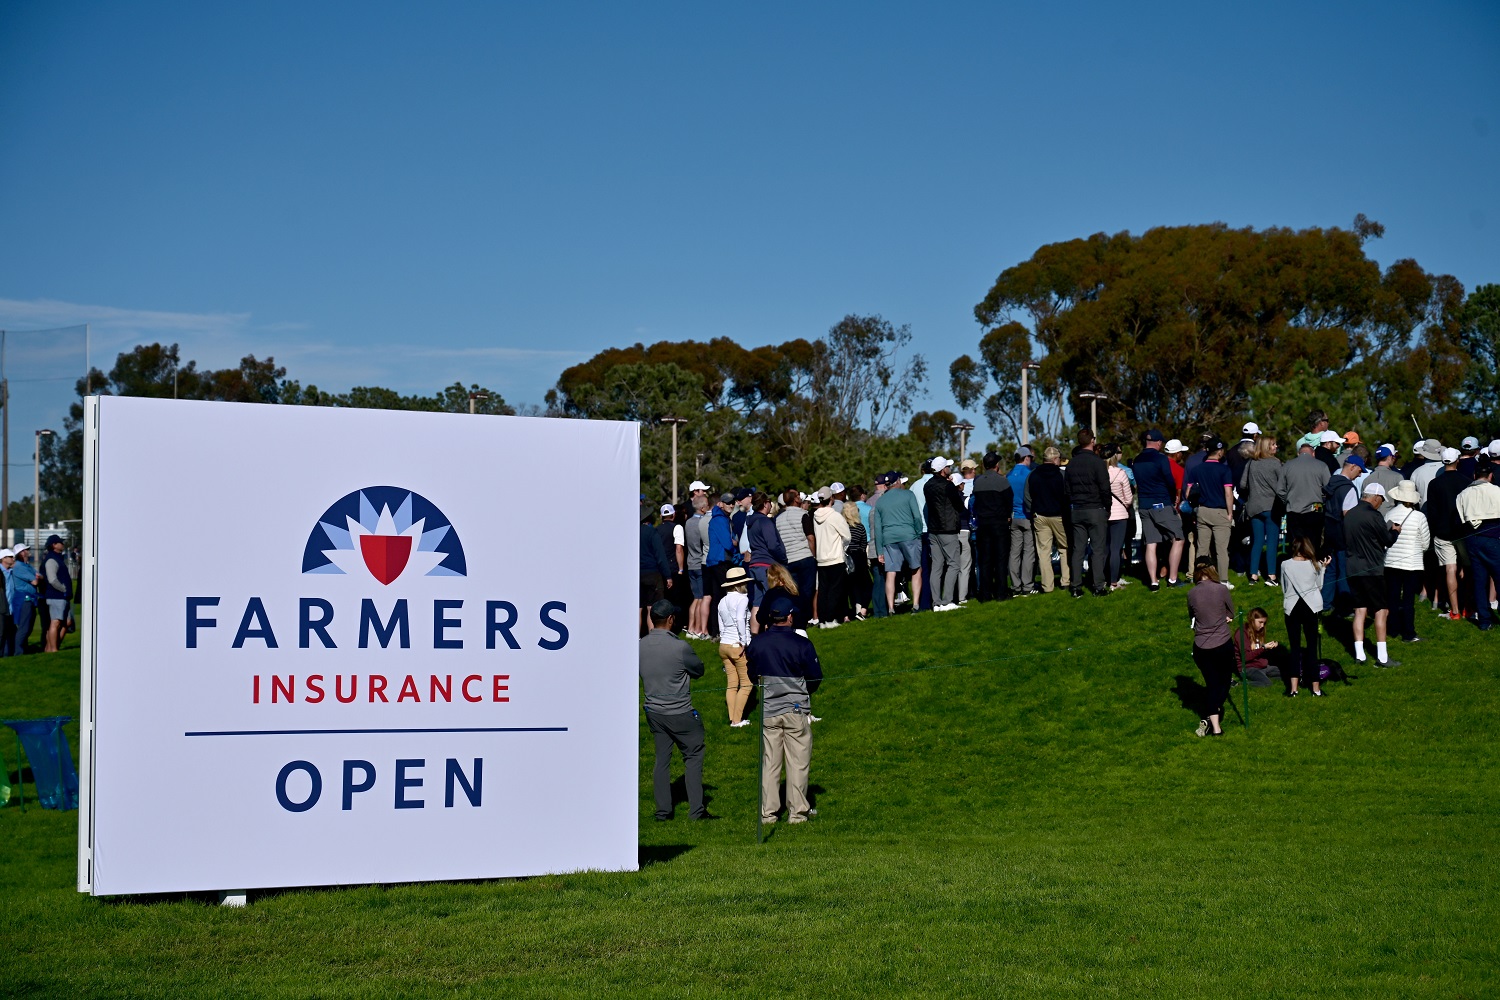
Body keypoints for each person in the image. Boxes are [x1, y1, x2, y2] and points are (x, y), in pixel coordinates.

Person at [746, 596, 823, 826]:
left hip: (769, 711)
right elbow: (815, 677)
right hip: (795, 710)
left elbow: (751, 675)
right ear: (790, 617)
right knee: (797, 762)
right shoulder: (802, 644)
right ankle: (797, 813)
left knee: (770, 763)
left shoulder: (757, 644)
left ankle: (768, 814)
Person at [638, 599, 711, 821]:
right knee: (693, 755)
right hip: (680, 712)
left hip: (654, 711)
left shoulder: (639, 645)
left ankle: (663, 811)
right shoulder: (680, 647)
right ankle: (696, 810)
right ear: (670, 619)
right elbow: (699, 670)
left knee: (662, 760)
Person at [1345, 482, 1400, 665]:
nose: (1381, 504)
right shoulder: (1373, 515)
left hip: (1352, 568)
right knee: (1381, 610)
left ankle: (1360, 655)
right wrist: (1395, 532)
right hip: (1372, 570)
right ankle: (1382, 657)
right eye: (1381, 500)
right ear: (1375, 498)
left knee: (1360, 610)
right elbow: (1387, 541)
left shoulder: (1349, 514)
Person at [1187, 563, 1236, 737]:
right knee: (1223, 682)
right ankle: (1212, 719)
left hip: (1201, 647)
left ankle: (1214, 726)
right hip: (1221, 643)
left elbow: (1192, 618)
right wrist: (1226, 617)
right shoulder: (1221, 589)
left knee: (1212, 684)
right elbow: (1231, 611)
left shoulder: (1191, 593)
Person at [1134, 430, 1184, 591]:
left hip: (1143, 505)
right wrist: (1172, 496)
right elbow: (1169, 480)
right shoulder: (1161, 459)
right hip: (1160, 503)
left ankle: (1154, 581)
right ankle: (1173, 579)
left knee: (1151, 543)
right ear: (1159, 443)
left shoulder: (1137, 460)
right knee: (1179, 537)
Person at [1182, 438, 1236, 587]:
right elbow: (1228, 493)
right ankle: (1223, 580)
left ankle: (1201, 578)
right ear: (1220, 452)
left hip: (1202, 511)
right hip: (1220, 511)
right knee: (1221, 550)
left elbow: (1188, 493)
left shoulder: (1196, 470)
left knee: (1202, 548)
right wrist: (1230, 513)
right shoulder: (1224, 470)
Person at [1065, 429, 1112, 598]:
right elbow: (1105, 488)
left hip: (1077, 510)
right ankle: (1098, 586)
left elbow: (1067, 490)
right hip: (1096, 509)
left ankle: (1076, 587)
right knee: (1098, 550)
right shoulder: (1098, 463)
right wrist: (1108, 506)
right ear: (1092, 440)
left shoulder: (1071, 464)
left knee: (1078, 550)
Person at [1424, 447, 1469, 619]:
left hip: (1442, 532)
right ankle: (1466, 607)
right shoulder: (1465, 481)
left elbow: (1432, 513)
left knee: (1450, 569)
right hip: (1462, 531)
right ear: (1457, 460)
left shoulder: (1434, 484)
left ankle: (1455, 611)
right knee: (1466, 568)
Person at [1455, 461, 1500, 632]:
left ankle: (1484, 621)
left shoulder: (1463, 494)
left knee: (1479, 581)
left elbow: (1460, 518)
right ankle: (1486, 618)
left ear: (1474, 476)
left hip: (1473, 539)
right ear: (1490, 476)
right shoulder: (1497, 491)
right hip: (1493, 538)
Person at [1383, 480, 1430, 645]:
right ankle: (1408, 633)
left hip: (1391, 562)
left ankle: (1393, 629)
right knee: (1408, 600)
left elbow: (1384, 539)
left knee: (1393, 597)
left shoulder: (1389, 515)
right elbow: (1425, 543)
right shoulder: (1419, 516)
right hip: (1412, 563)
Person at [871, 470, 924, 614]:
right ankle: (916, 605)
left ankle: (890, 608)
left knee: (891, 572)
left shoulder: (880, 501)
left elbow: (877, 528)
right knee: (916, 569)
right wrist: (918, 533)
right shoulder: (908, 495)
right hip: (908, 535)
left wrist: (879, 551)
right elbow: (917, 517)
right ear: (898, 481)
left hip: (889, 538)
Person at [1280, 535, 1326, 697]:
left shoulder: (1285, 565)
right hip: (1311, 608)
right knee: (1312, 648)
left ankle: (1293, 689)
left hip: (1292, 608)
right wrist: (1323, 568)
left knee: (1294, 648)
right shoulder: (1315, 565)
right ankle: (1316, 689)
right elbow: (1319, 586)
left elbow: (1284, 588)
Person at [1240, 436, 1284, 585]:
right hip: (1271, 506)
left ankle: (1253, 574)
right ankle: (1271, 575)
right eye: (1273, 444)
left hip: (1254, 506)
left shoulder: (1251, 463)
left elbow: (1243, 485)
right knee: (1272, 542)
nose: (1276, 446)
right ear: (1267, 447)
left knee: (1257, 541)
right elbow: (1282, 485)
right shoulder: (1275, 463)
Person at [1025, 447, 1070, 593]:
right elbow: (1067, 496)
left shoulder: (1032, 474)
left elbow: (1027, 496)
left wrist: (1034, 511)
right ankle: (1066, 581)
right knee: (1064, 548)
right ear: (1055, 459)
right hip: (1059, 516)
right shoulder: (1062, 475)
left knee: (1044, 552)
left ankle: (1047, 586)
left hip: (1040, 516)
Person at [924, 457, 966, 611]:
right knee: (954, 564)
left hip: (934, 529)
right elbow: (959, 506)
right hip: (948, 529)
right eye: (947, 467)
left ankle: (936, 602)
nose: (949, 468)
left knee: (937, 566)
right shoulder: (948, 486)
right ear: (943, 470)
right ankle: (947, 601)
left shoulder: (927, 486)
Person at [972, 451, 1013, 601]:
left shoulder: (978, 482)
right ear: (996, 465)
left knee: (985, 560)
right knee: (1001, 560)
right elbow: (1009, 500)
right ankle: (1001, 593)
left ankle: (985, 594)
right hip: (999, 523)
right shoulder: (1002, 481)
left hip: (983, 524)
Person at [717, 567, 754, 727]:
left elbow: (721, 626)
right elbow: (740, 619)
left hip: (724, 645)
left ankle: (733, 719)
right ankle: (737, 720)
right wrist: (744, 641)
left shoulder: (722, 601)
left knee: (732, 683)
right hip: (736, 645)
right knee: (747, 683)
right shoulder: (742, 598)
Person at [743, 492, 787, 628]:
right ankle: (771, 632)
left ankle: (755, 634)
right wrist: (783, 558)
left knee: (757, 602)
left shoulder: (750, 522)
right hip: (766, 564)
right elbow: (772, 545)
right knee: (772, 600)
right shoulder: (764, 521)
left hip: (754, 564)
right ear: (765, 504)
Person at [775, 488, 817, 625]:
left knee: (794, 591)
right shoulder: (803, 515)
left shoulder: (778, 519)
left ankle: (796, 617)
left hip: (789, 558)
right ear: (796, 500)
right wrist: (814, 554)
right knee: (807, 590)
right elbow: (810, 537)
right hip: (804, 555)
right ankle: (804, 618)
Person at [812, 490, 852, 627]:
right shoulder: (835, 516)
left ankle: (823, 620)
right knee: (834, 590)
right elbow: (847, 536)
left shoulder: (815, 516)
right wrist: (841, 547)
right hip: (835, 558)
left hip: (822, 558)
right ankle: (829, 619)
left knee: (823, 590)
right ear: (832, 499)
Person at [1281, 441, 1331, 550]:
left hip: (1293, 509)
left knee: (1295, 542)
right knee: (1313, 541)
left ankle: (1296, 563)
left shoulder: (1287, 465)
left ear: (1298, 454)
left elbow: (1280, 489)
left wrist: (1288, 500)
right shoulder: (1321, 466)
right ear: (1313, 454)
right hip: (1315, 510)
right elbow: (1328, 488)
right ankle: (1312, 563)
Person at [639, 505, 674, 636]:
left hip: (637, 573)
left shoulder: (632, 532)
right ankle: (652, 635)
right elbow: (660, 556)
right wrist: (668, 576)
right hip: (652, 573)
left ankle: (636, 638)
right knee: (651, 608)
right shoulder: (651, 532)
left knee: (638, 608)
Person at [1006, 447, 1037, 595]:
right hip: (1027, 516)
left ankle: (1015, 585)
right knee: (1028, 552)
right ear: (1026, 458)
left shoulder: (1009, 475)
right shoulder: (1029, 474)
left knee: (1014, 552)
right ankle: (1027, 585)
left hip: (1013, 517)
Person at [1103, 444, 1133, 590]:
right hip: (1120, 514)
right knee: (1116, 549)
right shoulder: (1121, 473)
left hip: (1103, 514)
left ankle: (1102, 578)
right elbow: (1128, 497)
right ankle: (1113, 581)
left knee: (1104, 548)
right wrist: (1124, 505)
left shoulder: (1099, 473)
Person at [1232, 607, 1287, 687]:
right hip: (1248, 668)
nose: (1262, 626)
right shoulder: (1241, 633)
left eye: (1264, 623)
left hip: (1262, 665)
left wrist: (1272, 646)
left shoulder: (1258, 631)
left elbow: (1258, 649)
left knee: (1287, 674)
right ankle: (1237, 684)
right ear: (1252, 620)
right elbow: (1246, 657)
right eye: (1260, 622)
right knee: (1267, 683)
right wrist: (1263, 648)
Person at [683, 494, 712, 639]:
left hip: (690, 562)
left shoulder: (688, 522)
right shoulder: (702, 523)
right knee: (701, 598)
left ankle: (691, 628)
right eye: (707, 504)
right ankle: (701, 629)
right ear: (702, 508)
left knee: (696, 597)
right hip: (700, 562)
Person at [842, 500, 871, 620]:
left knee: (850, 587)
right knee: (868, 585)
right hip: (858, 557)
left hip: (845, 557)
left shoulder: (842, 527)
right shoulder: (859, 527)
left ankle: (851, 612)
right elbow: (863, 545)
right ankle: (862, 610)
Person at [8, 545, 38, 656]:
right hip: (24, 599)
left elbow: (40, 576)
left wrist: (36, 578)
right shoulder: (19, 567)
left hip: (30, 599)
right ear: (21, 553)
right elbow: (35, 581)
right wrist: (36, 578)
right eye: (26, 550)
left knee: (28, 627)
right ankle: (18, 652)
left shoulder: (26, 566)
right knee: (24, 628)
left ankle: (23, 649)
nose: (28, 551)